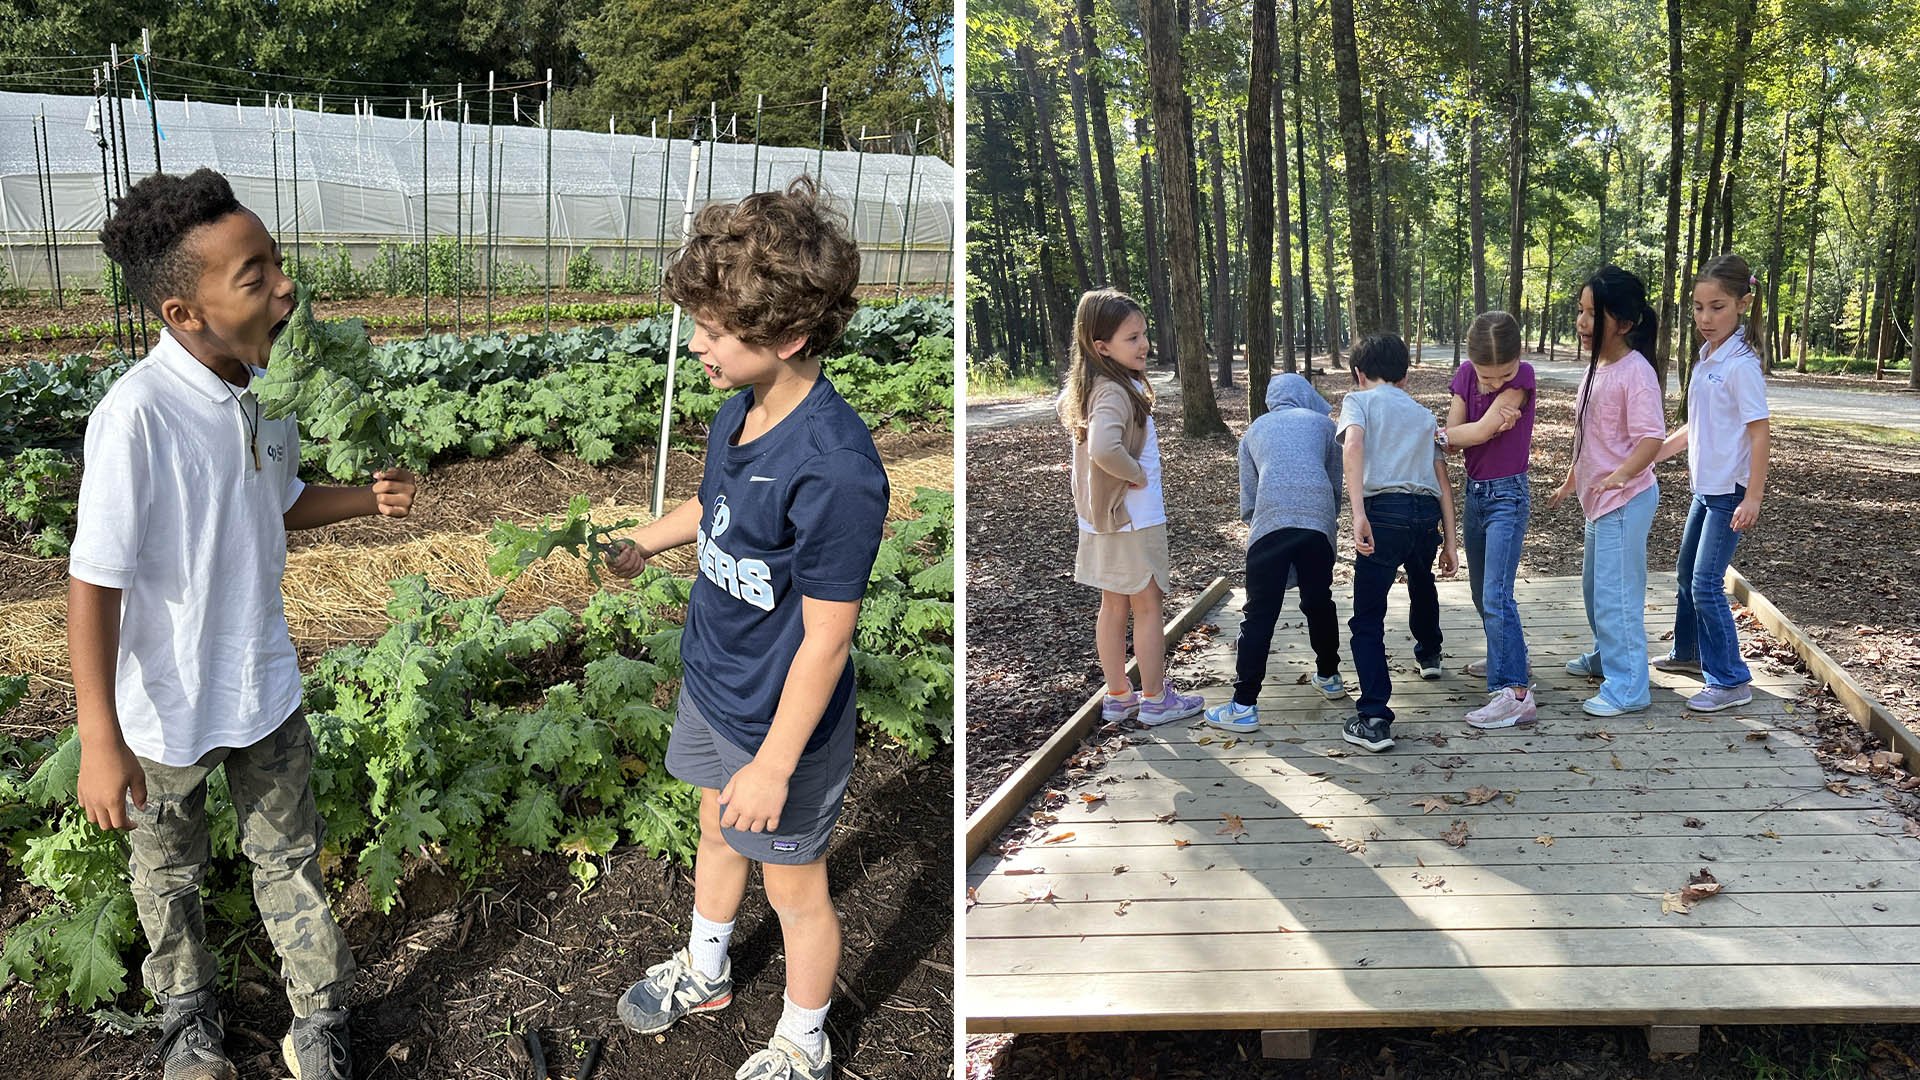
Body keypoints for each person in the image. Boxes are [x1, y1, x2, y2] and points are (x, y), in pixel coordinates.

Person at [70, 168, 417, 1080]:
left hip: (263, 685)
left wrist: (361, 503)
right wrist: (99, 736)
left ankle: (320, 1019)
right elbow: (92, 585)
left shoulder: (265, 392)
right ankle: (188, 1021)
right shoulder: (136, 418)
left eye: (276, 263)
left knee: (290, 857)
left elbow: (279, 501)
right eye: (254, 276)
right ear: (185, 312)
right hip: (162, 715)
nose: (284, 287)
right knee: (169, 876)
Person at [604, 178, 888, 1080]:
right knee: (717, 833)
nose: (697, 345)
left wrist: (773, 762)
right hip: (716, 685)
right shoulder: (743, 409)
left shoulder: (837, 471)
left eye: (716, 331)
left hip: (783, 728)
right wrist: (647, 541)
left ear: (790, 338)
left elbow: (827, 641)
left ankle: (805, 1040)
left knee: (796, 890)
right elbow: (713, 504)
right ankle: (708, 967)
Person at [1059, 288, 1204, 728]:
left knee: (1113, 604)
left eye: (1144, 334)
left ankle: (1120, 696)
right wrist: (1135, 475)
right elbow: (1105, 447)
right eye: (1131, 338)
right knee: (1147, 604)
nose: (1143, 345)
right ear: (1101, 347)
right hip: (1132, 520)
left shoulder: (1096, 387)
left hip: (1104, 520)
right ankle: (1156, 699)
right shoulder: (1114, 391)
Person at [1651, 253, 1772, 711]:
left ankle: (1730, 679)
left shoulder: (1741, 366)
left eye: (1717, 306)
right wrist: (1653, 455)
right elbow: (1695, 427)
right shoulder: (1706, 359)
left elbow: (1760, 432)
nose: (1705, 317)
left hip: (1730, 494)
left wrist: (1754, 496)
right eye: (1699, 307)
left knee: (1705, 583)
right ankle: (1690, 653)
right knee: (1687, 575)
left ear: (1743, 304)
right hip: (1706, 490)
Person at [1548, 265, 1666, 717]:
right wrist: (1571, 479)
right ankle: (1607, 656)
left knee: (1617, 596)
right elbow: (1591, 434)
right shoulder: (1599, 366)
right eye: (1580, 311)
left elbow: (1651, 439)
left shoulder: (1635, 372)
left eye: (1593, 314)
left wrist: (1621, 475)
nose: (1581, 322)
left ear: (1624, 322)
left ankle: (1629, 686)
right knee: (1596, 589)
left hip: (1624, 500)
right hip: (1599, 500)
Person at [1204, 373, 1346, 734]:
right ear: (1305, 396)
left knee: (1259, 614)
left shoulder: (1254, 431)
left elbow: (1249, 498)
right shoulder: (1324, 426)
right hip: (1317, 524)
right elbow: (1334, 485)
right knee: (1319, 601)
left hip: (1269, 523)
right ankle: (1329, 676)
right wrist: (1321, 519)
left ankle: (1243, 705)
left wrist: (1268, 525)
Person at [1337, 335, 1458, 753]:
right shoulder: (1425, 415)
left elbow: (1353, 447)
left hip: (1383, 511)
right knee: (1422, 579)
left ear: (1359, 372)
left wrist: (1358, 513)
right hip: (1425, 514)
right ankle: (1430, 655)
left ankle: (1373, 717)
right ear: (1405, 376)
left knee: (1367, 617)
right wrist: (1452, 543)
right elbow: (1442, 481)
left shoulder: (1359, 401)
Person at [1442, 312, 1535, 728]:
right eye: (1488, 377)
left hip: (1508, 496)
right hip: (1476, 495)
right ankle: (1504, 655)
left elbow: (1474, 434)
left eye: (1504, 376)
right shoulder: (1464, 375)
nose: (1498, 385)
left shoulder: (1524, 377)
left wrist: (1450, 433)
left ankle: (1515, 692)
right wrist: (1458, 433)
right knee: (1482, 593)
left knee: (1498, 594)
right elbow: (1455, 436)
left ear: (1517, 362)